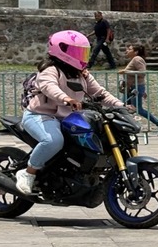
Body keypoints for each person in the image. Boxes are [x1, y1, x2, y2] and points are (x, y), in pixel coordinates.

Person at [16, 30, 128, 195]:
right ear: (61, 50)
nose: (82, 56)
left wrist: (121, 106)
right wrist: (66, 99)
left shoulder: (81, 74)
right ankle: (28, 173)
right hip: (41, 116)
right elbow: (49, 87)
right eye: (76, 52)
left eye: (84, 52)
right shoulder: (49, 70)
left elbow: (100, 93)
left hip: (68, 118)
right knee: (53, 141)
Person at [119, 43, 158, 131]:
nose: (127, 51)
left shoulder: (137, 59)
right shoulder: (133, 59)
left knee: (138, 109)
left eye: (130, 49)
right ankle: (126, 126)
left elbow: (142, 73)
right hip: (130, 87)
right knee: (122, 107)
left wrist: (126, 71)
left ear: (136, 52)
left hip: (136, 88)